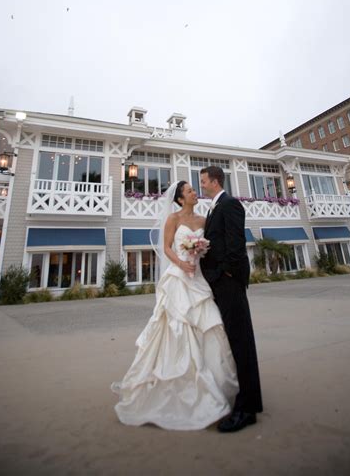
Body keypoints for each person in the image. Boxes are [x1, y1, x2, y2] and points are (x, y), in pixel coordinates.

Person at [111, 180, 238, 430]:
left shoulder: (204, 220)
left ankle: (216, 390)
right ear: (181, 198)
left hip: (199, 280)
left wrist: (200, 252)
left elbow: (211, 249)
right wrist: (182, 264)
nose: (194, 192)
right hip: (179, 278)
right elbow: (166, 247)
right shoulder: (173, 219)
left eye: (193, 188)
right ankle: (176, 389)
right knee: (176, 327)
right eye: (190, 190)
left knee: (213, 326)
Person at [200, 165, 263, 432]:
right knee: (235, 341)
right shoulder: (214, 208)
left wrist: (223, 273)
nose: (201, 185)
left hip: (229, 283)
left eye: (203, 181)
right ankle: (246, 401)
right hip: (219, 282)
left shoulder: (230, 204)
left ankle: (247, 409)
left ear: (215, 181)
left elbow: (236, 246)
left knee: (241, 342)